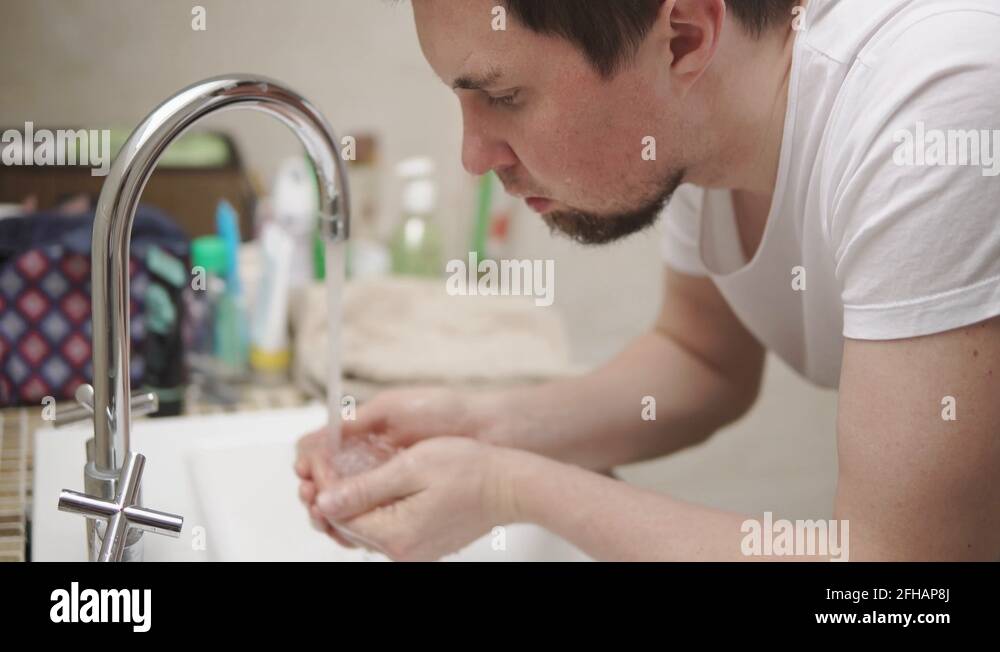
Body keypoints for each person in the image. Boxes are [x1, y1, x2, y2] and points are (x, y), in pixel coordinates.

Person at [296, 0, 1000, 561]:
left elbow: (903, 593)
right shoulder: (698, 118)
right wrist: (486, 426)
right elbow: (703, 359)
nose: (474, 156)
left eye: (504, 96)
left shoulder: (935, 108)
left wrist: (507, 486)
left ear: (684, 38)